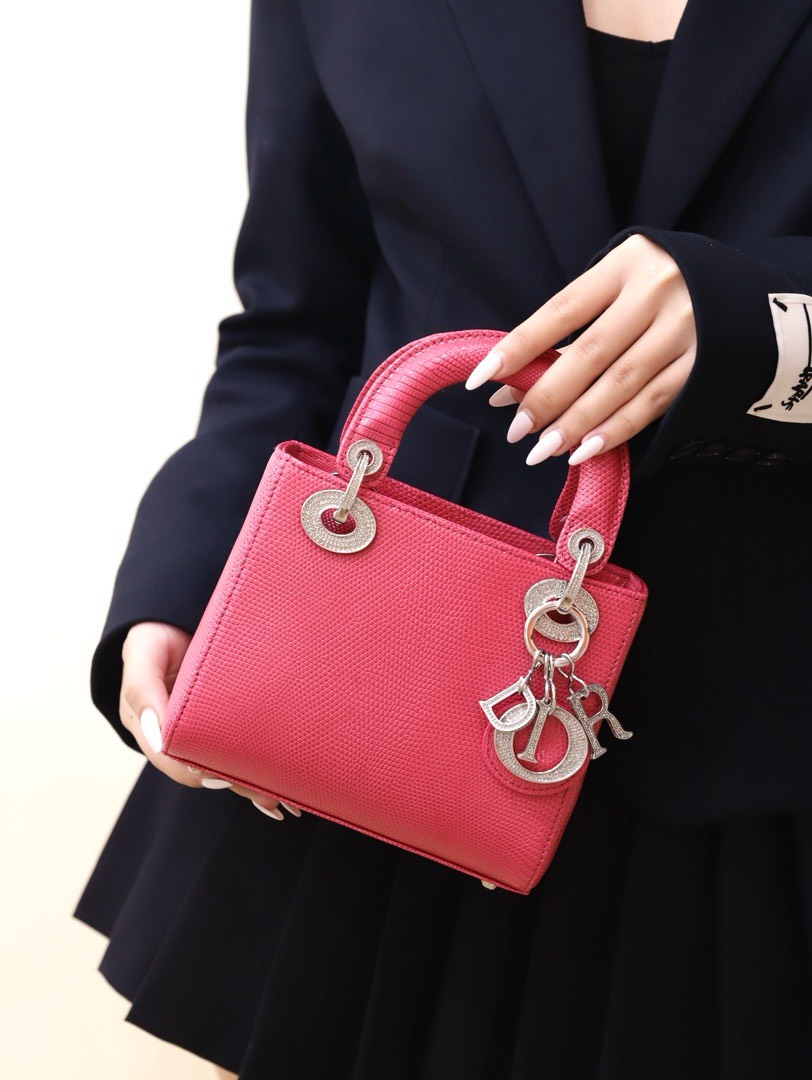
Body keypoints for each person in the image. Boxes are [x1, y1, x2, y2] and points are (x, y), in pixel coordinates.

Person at [74, 0, 812, 1076]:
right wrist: (178, 585)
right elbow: (296, 322)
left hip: (758, 776)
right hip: (375, 705)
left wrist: (760, 325)